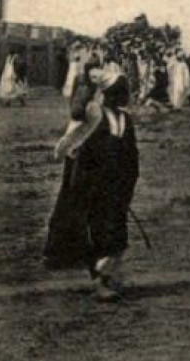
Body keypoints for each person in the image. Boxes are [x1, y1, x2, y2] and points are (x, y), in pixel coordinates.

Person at [43, 72, 139, 301]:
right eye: (119, 92)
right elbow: (76, 146)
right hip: (95, 187)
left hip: (118, 187)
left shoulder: (126, 119)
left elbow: (131, 156)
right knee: (100, 233)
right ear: (107, 94)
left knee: (117, 233)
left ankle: (107, 277)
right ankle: (101, 281)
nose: (123, 96)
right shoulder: (95, 116)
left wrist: (128, 184)